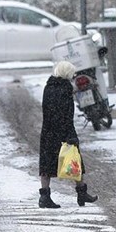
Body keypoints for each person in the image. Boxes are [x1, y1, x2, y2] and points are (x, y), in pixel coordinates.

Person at [38, 60, 98, 209]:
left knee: (47, 165)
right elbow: (66, 114)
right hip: (63, 131)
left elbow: (49, 109)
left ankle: (44, 197)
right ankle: (81, 193)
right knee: (75, 162)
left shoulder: (48, 87)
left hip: (48, 130)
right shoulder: (65, 89)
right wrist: (70, 134)